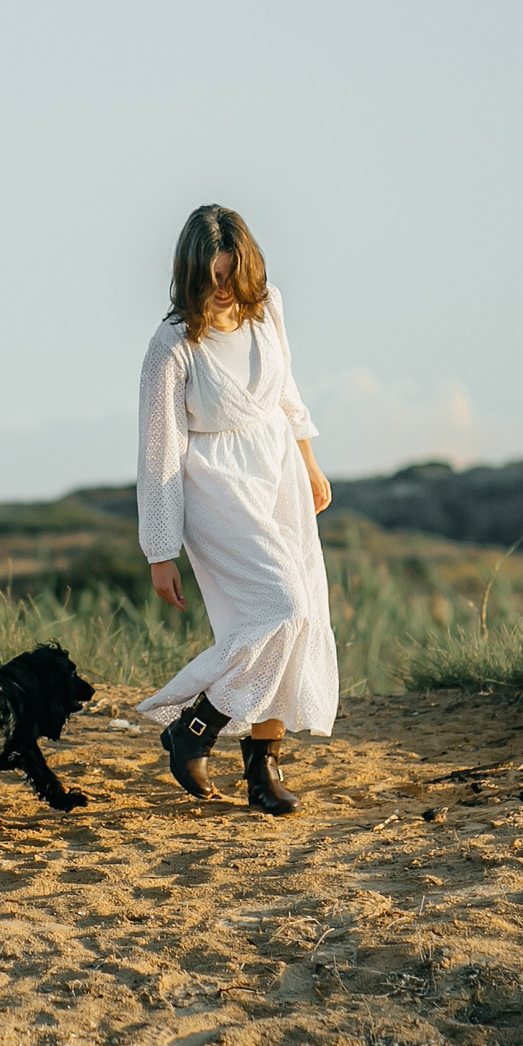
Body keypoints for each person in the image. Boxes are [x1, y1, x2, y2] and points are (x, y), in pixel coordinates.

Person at [136, 204, 338, 810]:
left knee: (295, 619)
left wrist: (308, 459)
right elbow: (158, 453)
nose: (223, 289)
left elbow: (286, 388)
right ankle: (197, 726)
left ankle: (262, 767)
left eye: (231, 275)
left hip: (278, 471)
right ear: (190, 274)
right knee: (283, 606)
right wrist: (160, 551)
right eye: (211, 278)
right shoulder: (172, 346)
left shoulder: (267, 307)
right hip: (214, 486)